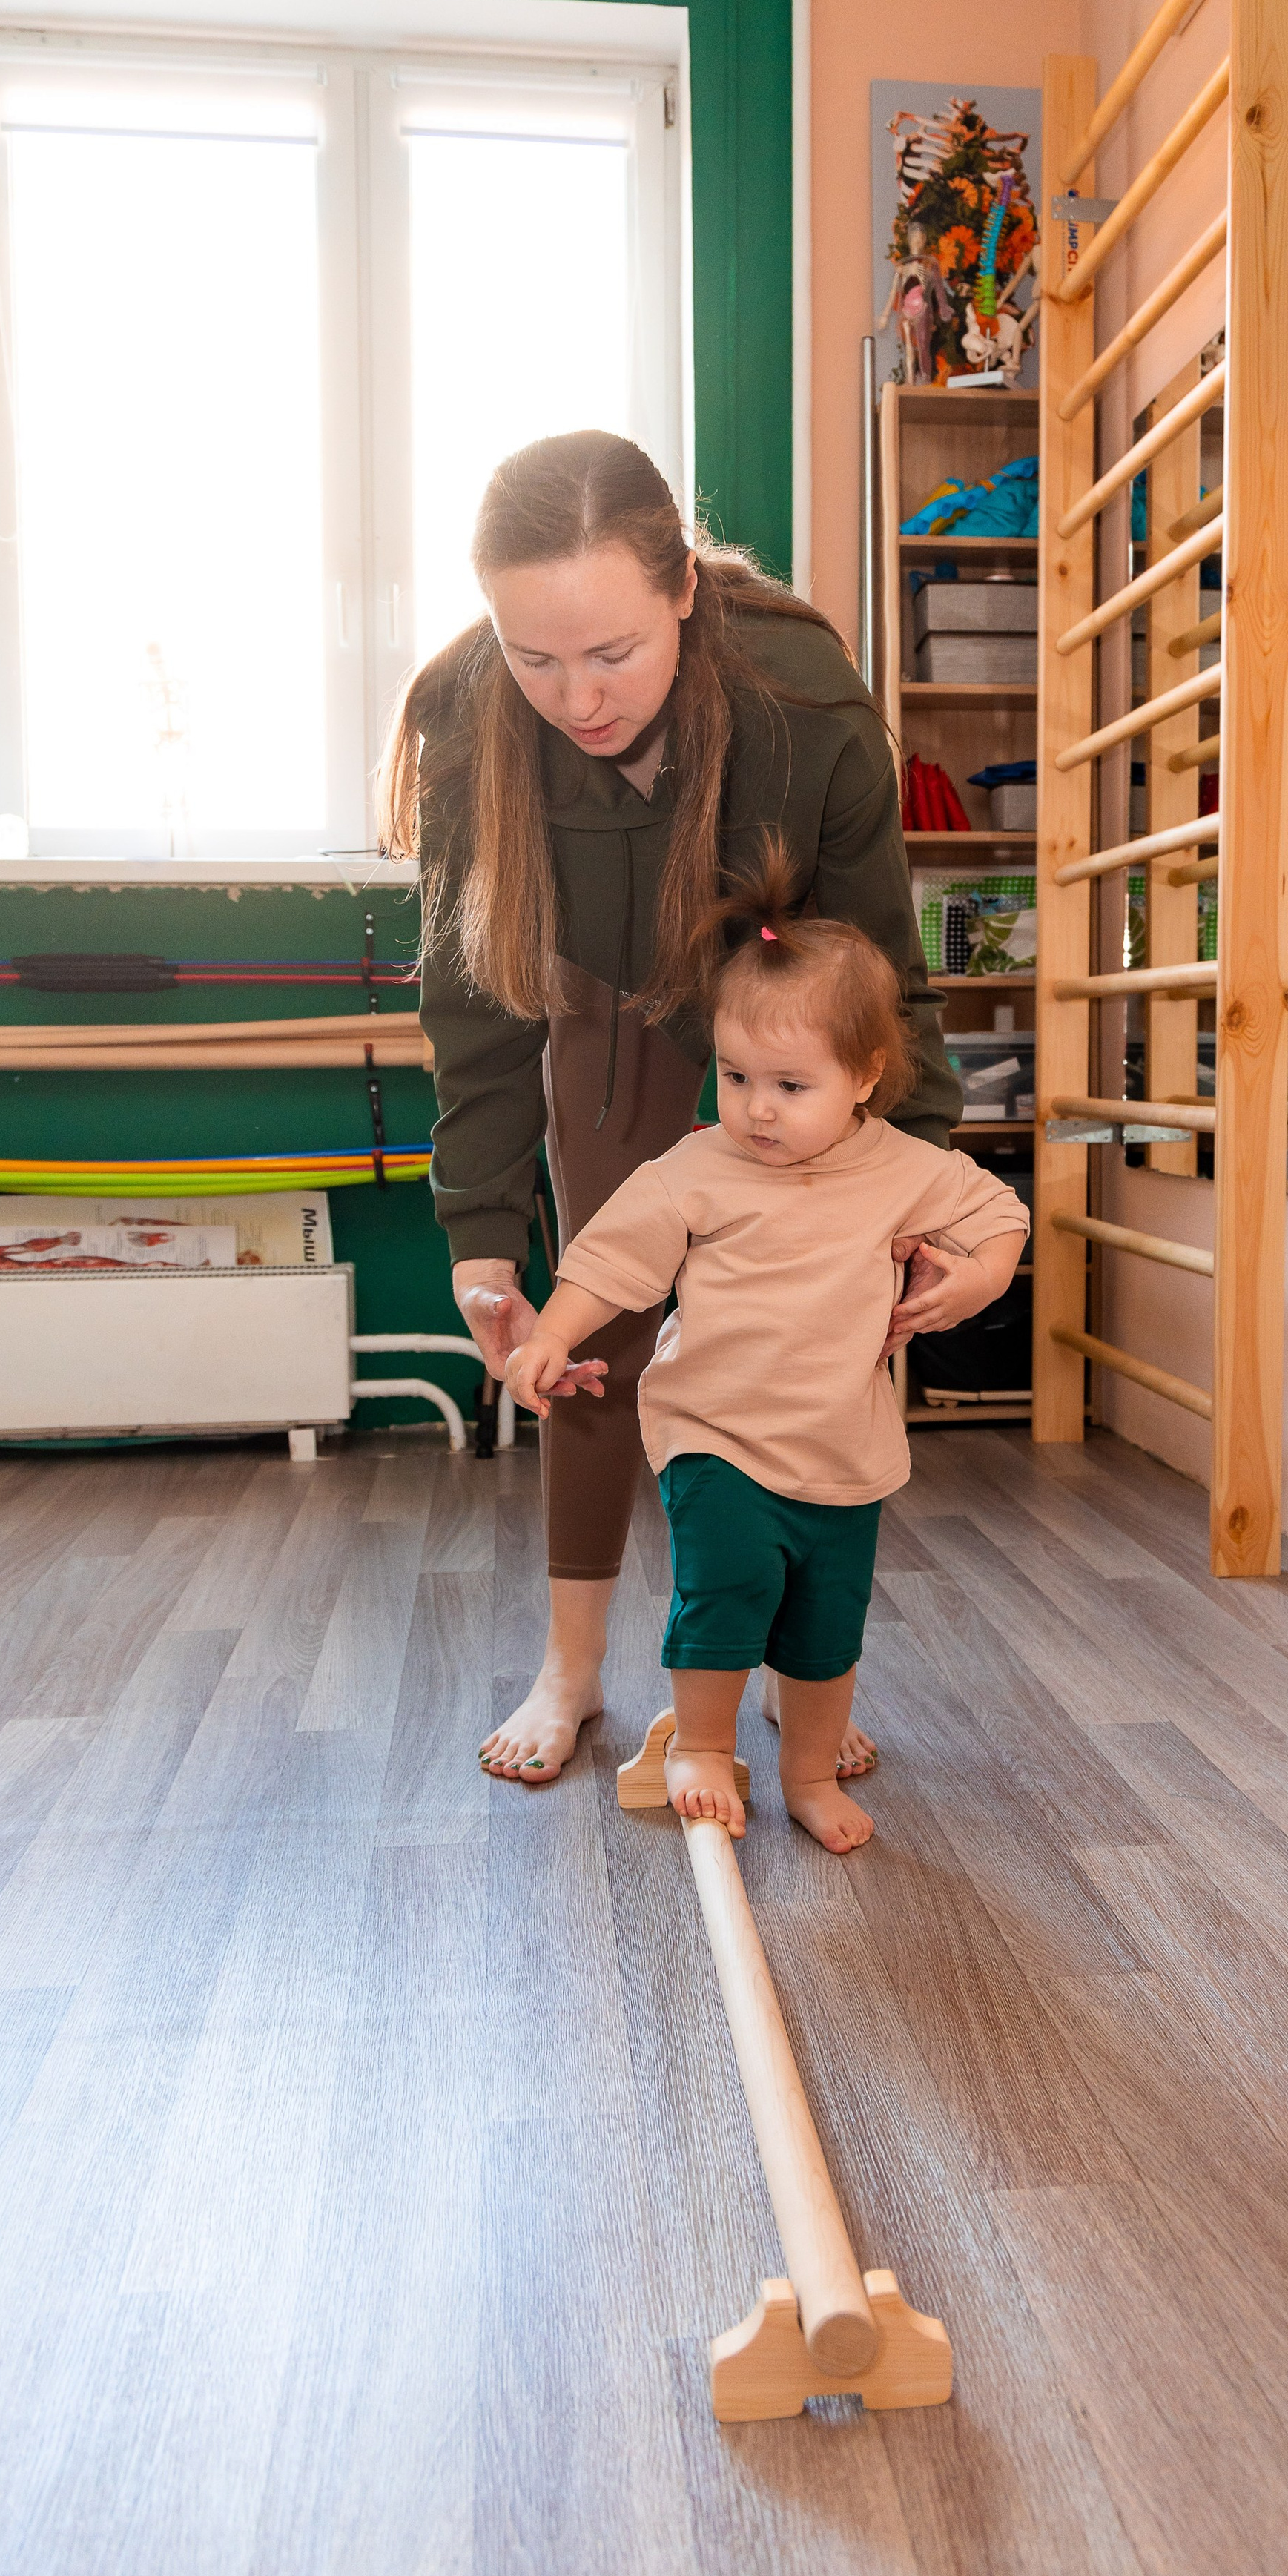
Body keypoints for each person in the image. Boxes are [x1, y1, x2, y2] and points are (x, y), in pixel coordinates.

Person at [378, 429, 974, 1786]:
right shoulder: (469, 726)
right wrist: (482, 1244)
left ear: (686, 591)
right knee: (598, 1318)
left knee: (814, 1321)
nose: (577, 696)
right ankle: (571, 1666)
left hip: (783, 990)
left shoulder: (808, 709)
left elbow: (883, 977)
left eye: (613, 652)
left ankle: (803, 1679)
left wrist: (918, 1198)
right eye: (535, 657)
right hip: (601, 990)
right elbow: (475, 1011)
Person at [502, 843, 1028, 1850]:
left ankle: (809, 1775)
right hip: (718, 1435)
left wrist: (978, 1277)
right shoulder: (699, 1167)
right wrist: (551, 1335)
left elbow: (998, 1213)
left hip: (843, 1450)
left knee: (828, 1630)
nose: (756, 1107)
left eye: (790, 1084)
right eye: (737, 1076)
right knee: (726, 1591)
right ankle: (702, 1746)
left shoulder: (904, 1168)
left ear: (866, 1076)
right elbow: (610, 1259)